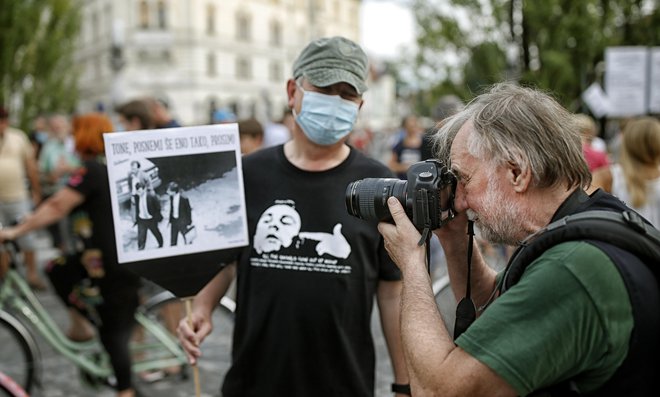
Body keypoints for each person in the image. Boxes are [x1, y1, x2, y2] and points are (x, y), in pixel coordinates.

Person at [376, 83, 659, 396]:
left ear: (517, 172)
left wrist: (412, 264)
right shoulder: (594, 219)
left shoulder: (574, 270)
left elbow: (439, 390)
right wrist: (455, 240)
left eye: (465, 179)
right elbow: (496, 316)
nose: (459, 201)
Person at [177, 36, 409, 397]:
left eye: (346, 94)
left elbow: (393, 293)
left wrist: (404, 384)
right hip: (254, 380)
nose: (335, 101)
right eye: (324, 88)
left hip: (342, 383)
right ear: (293, 91)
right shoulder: (246, 174)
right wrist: (203, 308)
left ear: (360, 104)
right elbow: (226, 260)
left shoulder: (379, 187)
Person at [0, 112, 141, 397]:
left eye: (77, 132)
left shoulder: (90, 169)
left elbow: (57, 206)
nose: (72, 138)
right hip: (106, 258)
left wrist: (15, 232)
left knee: (113, 332)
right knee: (57, 269)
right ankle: (81, 326)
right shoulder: (104, 167)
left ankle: (125, 392)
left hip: (108, 264)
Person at [0, 106, 45, 290]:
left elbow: (30, 166)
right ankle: (5, 279)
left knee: (27, 237)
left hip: (18, 197)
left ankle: (32, 275)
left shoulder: (18, 137)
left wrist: (36, 192)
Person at [592, 116, 660, 227]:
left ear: (627, 142)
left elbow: (584, 208)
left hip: (620, 242)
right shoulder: (609, 176)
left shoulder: (608, 176)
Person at [38, 113, 80, 254]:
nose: (57, 130)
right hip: (58, 194)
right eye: (54, 127)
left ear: (67, 126)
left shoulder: (77, 143)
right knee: (63, 234)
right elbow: (42, 173)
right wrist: (52, 176)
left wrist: (70, 169)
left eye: (60, 126)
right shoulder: (48, 147)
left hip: (79, 195)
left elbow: (89, 168)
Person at [388, 114, 424, 179]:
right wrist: (405, 167)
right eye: (410, 126)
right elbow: (392, 165)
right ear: (405, 127)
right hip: (404, 181)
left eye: (414, 125)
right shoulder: (399, 145)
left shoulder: (424, 143)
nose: (413, 127)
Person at [134, 182, 163, 250]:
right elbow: (137, 208)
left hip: (151, 220)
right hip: (141, 220)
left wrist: (156, 218)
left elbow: (158, 208)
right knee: (141, 237)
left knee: (156, 232)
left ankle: (161, 244)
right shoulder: (137, 197)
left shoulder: (151, 196)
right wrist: (137, 218)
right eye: (137, 191)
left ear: (144, 189)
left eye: (140, 191)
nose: (139, 193)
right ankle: (141, 249)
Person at [165, 182, 192, 246]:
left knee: (187, 238)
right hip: (174, 221)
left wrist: (189, 222)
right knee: (173, 241)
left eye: (169, 191)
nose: (167, 192)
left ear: (174, 191)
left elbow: (188, 211)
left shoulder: (184, 198)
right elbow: (172, 208)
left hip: (182, 221)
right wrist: (170, 220)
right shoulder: (171, 197)